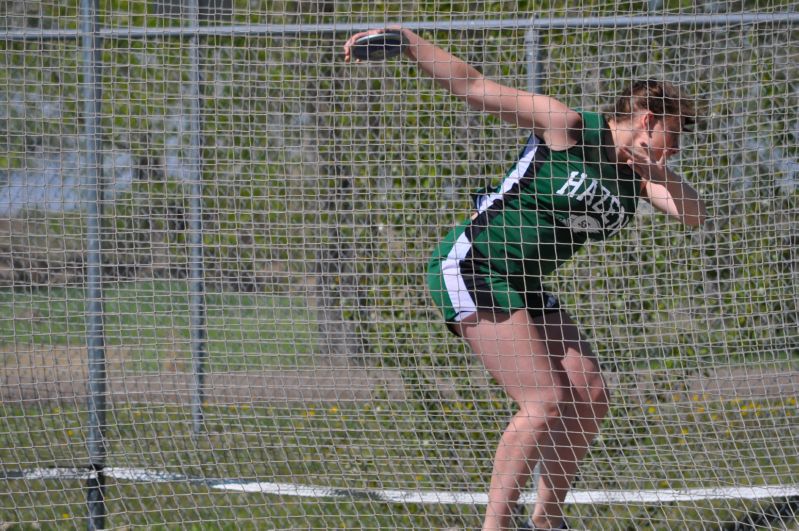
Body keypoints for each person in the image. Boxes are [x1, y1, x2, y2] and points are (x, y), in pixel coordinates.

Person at [345, 27, 707, 531]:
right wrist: (408, 41)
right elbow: (472, 86)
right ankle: (496, 527)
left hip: (525, 284)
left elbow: (693, 214)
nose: (673, 151)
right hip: (477, 264)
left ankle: (547, 520)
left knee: (591, 394)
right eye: (672, 136)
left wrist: (658, 169)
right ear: (648, 120)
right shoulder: (569, 127)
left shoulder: (641, 179)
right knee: (543, 402)